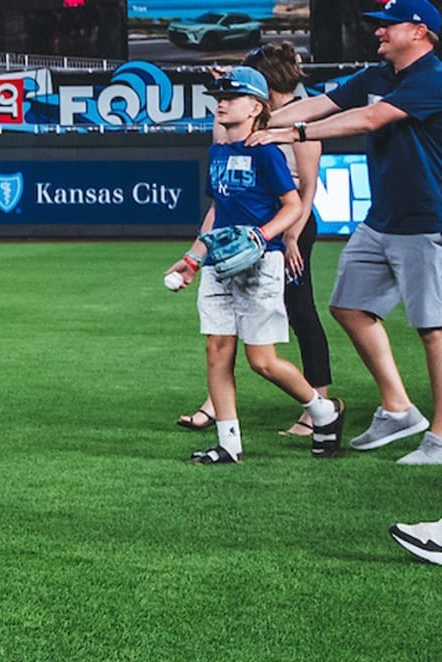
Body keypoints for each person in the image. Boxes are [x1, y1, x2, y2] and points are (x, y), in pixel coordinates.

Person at [255, 0, 442, 463]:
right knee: (349, 307)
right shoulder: (377, 76)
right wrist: (253, 121)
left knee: (433, 331)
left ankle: (440, 437)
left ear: (420, 32)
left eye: (387, 26)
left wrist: (290, 133)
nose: (377, 32)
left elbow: (369, 119)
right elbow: (321, 104)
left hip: (427, 220)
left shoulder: (433, 78)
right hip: (382, 219)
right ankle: (399, 409)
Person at [164, 67, 342, 464]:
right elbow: (217, 209)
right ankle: (228, 444)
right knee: (217, 348)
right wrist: (194, 258)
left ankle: (324, 411)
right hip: (220, 262)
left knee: (261, 361)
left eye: (231, 95)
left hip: (261, 263)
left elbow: (293, 204)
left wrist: (263, 236)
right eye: (218, 96)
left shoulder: (265, 151)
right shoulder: (218, 151)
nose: (221, 102)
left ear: (256, 106)